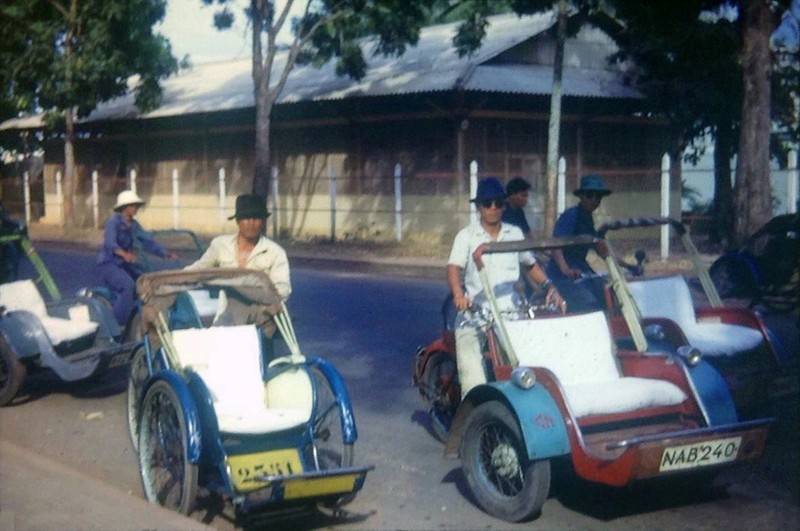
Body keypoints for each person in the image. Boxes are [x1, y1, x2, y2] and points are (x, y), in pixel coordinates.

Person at [448, 177, 565, 398]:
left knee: (524, 360)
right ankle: (475, 411)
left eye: (498, 203)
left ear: (504, 205)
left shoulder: (514, 233)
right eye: (487, 203)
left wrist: (550, 286)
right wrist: (458, 295)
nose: (493, 208)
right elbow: (454, 268)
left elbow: (530, 265)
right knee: (470, 360)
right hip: (475, 310)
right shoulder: (466, 236)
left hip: (509, 309)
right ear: (478, 207)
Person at [185, 193, 291, 301]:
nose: (251, 223)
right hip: (228, 315)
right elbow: (198, 270)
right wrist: (172, 280)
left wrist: (253, 292)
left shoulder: (275, 252)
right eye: (246, 218)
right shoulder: (220, 245)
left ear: (263, 221)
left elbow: (283, 290)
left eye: (256, 218)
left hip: (261, 314)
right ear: (238, 221)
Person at [98, 190, 177, 325]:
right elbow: (110, 243)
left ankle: (141, 317)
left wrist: (165, 253)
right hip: (110, 264)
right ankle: (117, 324)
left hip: (125, 265)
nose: (135, 209)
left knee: (146, 281)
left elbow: (147, 241)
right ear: (124, 207)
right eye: (132, 206)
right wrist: (125, 254)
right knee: (128, 286)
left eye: (136, 206)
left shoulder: (134, 225)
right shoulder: (114, 222)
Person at [546, 174, 611, 313]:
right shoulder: (571, 215)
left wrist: (626, 266)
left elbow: (602, 250)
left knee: (609, 293)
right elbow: (556, 245)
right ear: (581, 196)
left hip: (581, 269)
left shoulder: (587, 219)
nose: (594, 200)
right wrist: (566, 270)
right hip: (562, 274)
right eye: (589, 195)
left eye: (598, 196)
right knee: (589, 304)